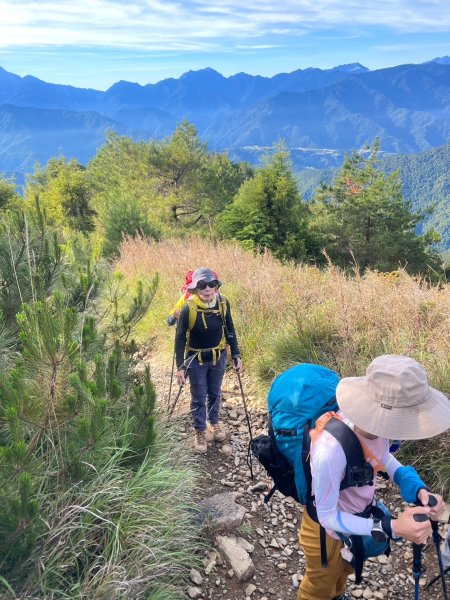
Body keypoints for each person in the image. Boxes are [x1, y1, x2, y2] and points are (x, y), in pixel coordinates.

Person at [298, 354, 450, 600]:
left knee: (341, 574)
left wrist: (414, 486)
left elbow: (382, 456)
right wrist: (389, 526)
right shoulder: (329, 452)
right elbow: (327, 516)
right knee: (318, 587)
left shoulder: (374, 426)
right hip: (325, 536)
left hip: (355, 521)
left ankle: (337, 595)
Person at [175, 268, 242, 453]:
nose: (207, 289)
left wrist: (236, 354)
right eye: (202, 285)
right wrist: (180, 367)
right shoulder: (189, 307)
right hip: (195, 359)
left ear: (216, 286)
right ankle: (199, 430)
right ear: (195, 288)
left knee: (214, 392)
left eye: (211, 284)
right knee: (198, 396)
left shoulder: (222, 303)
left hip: (217, 357)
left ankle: (213, 422)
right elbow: (180, 338)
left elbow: (230, 329)